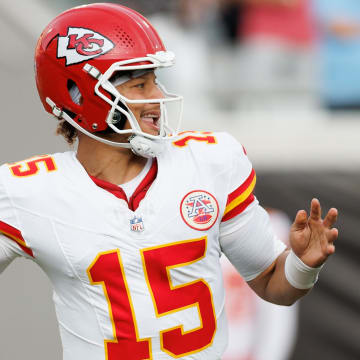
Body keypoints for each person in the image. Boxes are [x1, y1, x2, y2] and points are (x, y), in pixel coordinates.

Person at [0, 3, 338, 360]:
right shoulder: (26, 192)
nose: (157, 97)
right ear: (78, 95)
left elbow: (273, 282)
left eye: (155, 81)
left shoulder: (210, 162)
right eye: (139, 85)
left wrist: (302, 264)